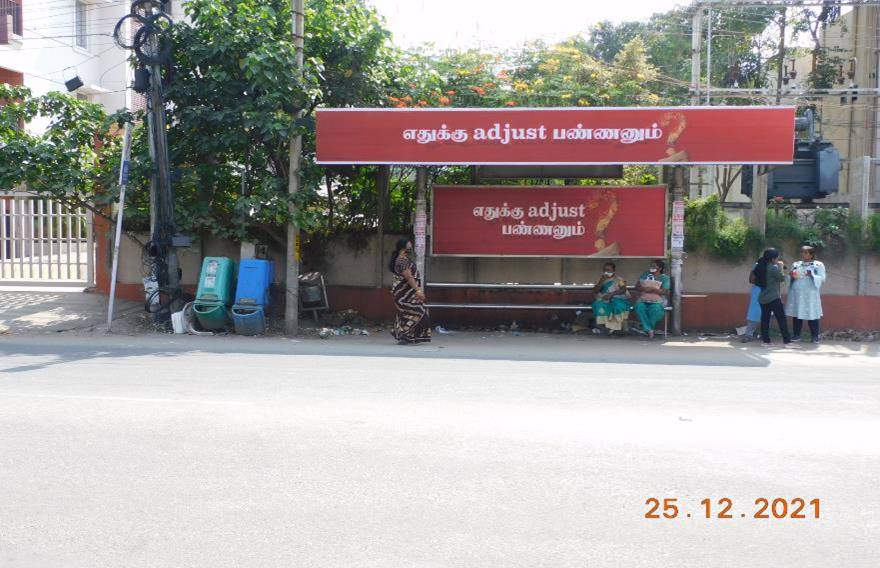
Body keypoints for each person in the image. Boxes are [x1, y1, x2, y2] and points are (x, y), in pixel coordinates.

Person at [389, 238, 431, 345]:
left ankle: (406, 336)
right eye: (409, 246)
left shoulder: (404, 259)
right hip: (404, 295)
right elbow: (408, 277)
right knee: (418, 312)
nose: (410, 248)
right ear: (402, 247)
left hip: (407, 294)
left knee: (409, 314)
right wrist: (418, 290)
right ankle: (404, 335)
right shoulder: (402, 260)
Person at [752, 248, 794, 347]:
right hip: (773, 297)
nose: (777, 259)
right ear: (772, 259)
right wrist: (781, 266)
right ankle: (787, 341)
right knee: (781, 319)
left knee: (765, 319)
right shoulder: (771, 268)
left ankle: (766, 341)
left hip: (762, 297)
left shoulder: (760, 266)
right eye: (777, 258)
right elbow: (781, 278)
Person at [786, 245, 826, 344]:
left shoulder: (818, 265)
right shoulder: (796, 264)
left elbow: (822, 278)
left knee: (812, 313)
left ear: (811, 254)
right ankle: (796, 335)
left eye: (805, 252)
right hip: (797, 293)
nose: (802, 254)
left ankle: (815, 336)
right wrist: (791, 276)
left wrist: (812, 275)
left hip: (810, 294)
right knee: (797, 313)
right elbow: (791, 278)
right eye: (802, 252)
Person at [634, 259, 670, 339]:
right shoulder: (645, 275)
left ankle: (647, 329)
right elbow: (637, 287)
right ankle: (650, 330)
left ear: (660, 268)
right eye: (651, 266)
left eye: (654, 266)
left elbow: (665, 291)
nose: (651, 268)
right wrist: (644, 289)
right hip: (643, 299)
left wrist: (653, 289)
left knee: (655, 309)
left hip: (657, 301)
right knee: (639, 307)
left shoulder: (665, 278)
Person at [591, 262, 631, 333]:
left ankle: (616, 328)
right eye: (605, 270)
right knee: (598, 304)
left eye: (608, 270)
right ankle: (605, 327)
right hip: (604, 299)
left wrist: (612, 294)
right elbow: (595, 291)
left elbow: (623, 289)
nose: (606, 272)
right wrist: (601, 281)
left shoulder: (619, 279)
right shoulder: (600, 279)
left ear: (614, 271)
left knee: (618, 306)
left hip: (617, 298)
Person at [740, 263, 761, 343]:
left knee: (767, 313)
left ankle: (764, 334)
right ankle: (749, 335)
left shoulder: (774, 265)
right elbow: (751, 279)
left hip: (768, 292)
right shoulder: (758, 265)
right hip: (759, 290)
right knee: (754, 312)